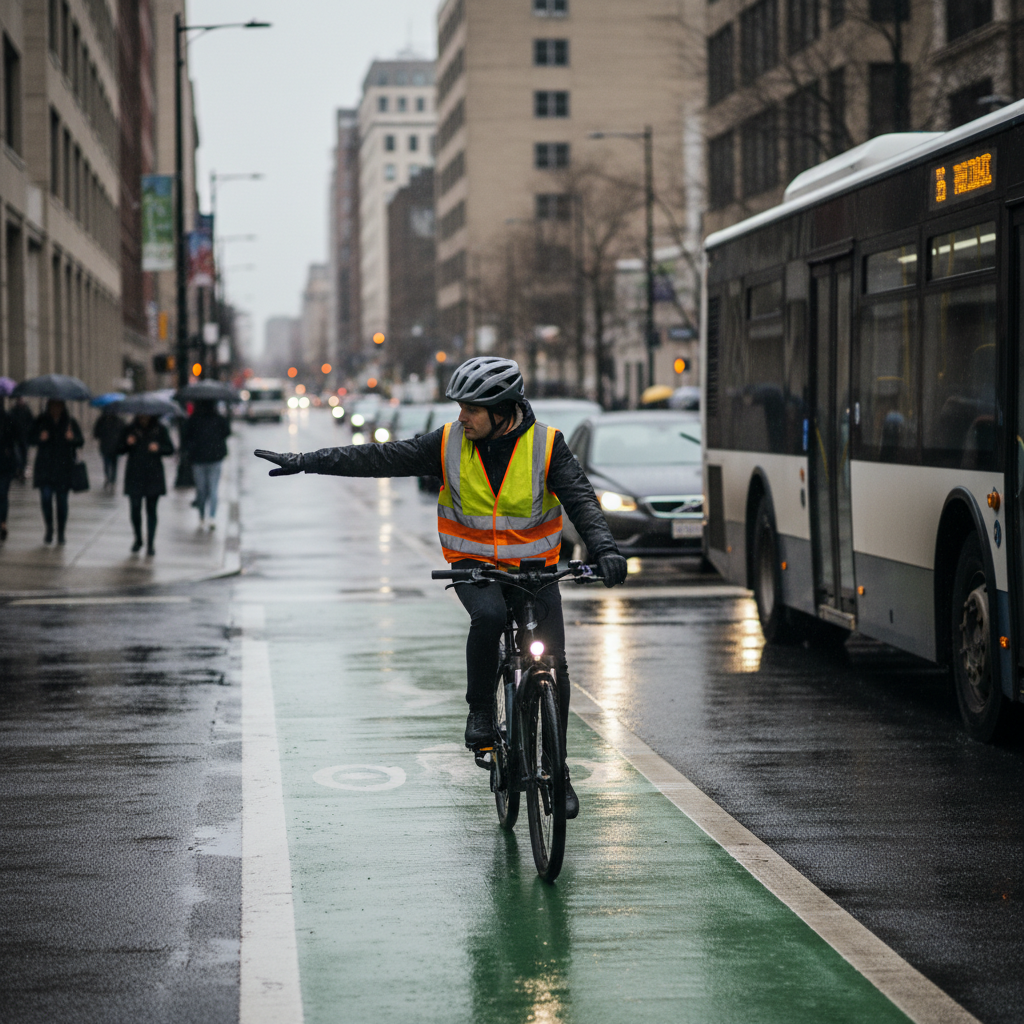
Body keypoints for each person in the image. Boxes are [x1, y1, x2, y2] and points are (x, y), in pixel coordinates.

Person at [255, 356, 628, 819]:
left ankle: (559, 768)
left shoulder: (548, 445)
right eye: (460, 407)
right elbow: (379, 458)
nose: (461, 417)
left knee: (555, 662)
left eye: (471, 409)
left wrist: (605, 549)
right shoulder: (450, 442)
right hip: (474, 567)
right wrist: (305, 462)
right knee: (489, 617)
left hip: (535, 571)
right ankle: (480, 712)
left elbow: (581, 500)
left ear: (502, 410)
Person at [118, 413, 175, 556]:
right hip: (134, 474)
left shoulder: (160, 429)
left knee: (151, 510)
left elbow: (170, 449)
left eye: (147, 416)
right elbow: (119, 449)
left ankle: (150, 544)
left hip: (153, 475)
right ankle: (138, 539)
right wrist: (127, 442)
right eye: (142, 416)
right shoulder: (130, 428)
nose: (144, 418)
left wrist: (159, 448)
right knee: (135, 509)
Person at [30, 399, 84, 545]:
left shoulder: (70, 422)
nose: (56, 409)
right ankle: (49, 528)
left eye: (58, 406)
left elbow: (80, 441)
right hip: (44, 468)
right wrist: (40, 438)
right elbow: (30, 439)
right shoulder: (41, 421)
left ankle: (61, 532)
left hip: (63, 468)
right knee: (46, 499)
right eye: (53, 406)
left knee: (62, 503)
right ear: (49, 407)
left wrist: (72, 439)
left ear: (62, 407)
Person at [181, 400, 231, 529]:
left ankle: (202, 516)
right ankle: (212, 517)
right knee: (213, 489)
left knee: (201, 489)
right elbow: (227, 432)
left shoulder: (193, 420)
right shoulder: (218, 419)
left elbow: (186, 436)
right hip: (214, 457)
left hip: (199, 459)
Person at [93, 406, 124, 490]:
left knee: (109, 463)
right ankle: (111, 479)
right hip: (110, 446)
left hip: (111, 446)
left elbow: (96, 433)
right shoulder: (117, 420)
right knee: (111, 464)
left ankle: (110, 479)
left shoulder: (103, 420)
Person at [0, 399, 18, 540]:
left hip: (4, 464)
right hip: (6, 463)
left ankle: (3, 523)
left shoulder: (8, 418)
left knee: (2, 494)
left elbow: (16, 439)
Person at [10, 396, 33, 482]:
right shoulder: (13, 411)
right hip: (16, 438)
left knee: (24, 455)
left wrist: (28, 430)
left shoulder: (27, 411)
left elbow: (31, 422)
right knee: (18, 455)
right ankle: (19, 470)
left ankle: (21, 470)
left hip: (25, 437)